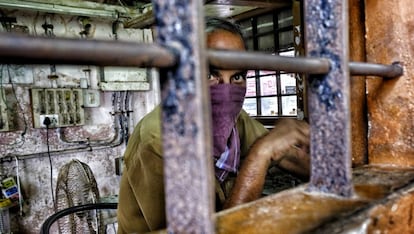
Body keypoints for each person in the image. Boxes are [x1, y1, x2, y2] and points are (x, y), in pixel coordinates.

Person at [117, 17, 310, 233]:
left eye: (237, 76)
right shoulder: (159, 139)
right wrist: (259, 156)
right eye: (210, 74)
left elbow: (287, 156)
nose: (226, 91)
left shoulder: (236, 120)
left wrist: (335, 168)